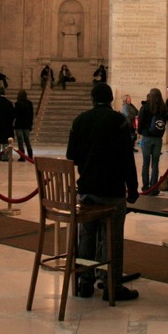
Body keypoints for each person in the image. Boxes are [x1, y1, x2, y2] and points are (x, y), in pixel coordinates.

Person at [66, 82, 139, 302]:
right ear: (110, 100)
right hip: (111, 192)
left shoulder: (80, 120)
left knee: (87, 233)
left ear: (92, 99)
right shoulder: (118, 121)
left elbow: (72, 156)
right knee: (112, 235)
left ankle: (84, 282)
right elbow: (127, 159)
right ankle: (111, 285)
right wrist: (133, 188)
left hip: (86, 191)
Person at [137, 88, 168, 194]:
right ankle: (154, 187)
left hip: (147, 137)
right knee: (155, 163)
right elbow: (164, 122)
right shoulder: (163, 107)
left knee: (146, 163)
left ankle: (146, 187)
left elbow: (140, 121)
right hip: (158, 139)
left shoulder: (145, 107)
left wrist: (141, 132)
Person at [13, 89, 34, 160]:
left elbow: (15, 114)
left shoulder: (17, 103)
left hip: (19, 124)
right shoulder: (29, 103)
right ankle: (30, 155)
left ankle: (22, 156)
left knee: (20, 140)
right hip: (27, 124)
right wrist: (31, 125)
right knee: (27, 140)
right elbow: (31, 115)